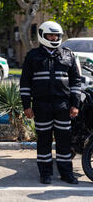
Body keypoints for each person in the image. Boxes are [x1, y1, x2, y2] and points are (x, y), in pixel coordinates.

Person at [20, 21, 81, 185]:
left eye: (56, 35)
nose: (54, 38)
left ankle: (66, 173)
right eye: (50, 35)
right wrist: (27, 105)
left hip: (63, 106)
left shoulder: (68, 55)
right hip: (42, 106)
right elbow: (25, 83)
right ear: (42, 35)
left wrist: (75, 104)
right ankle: (45, 174)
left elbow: (76, 82)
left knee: (64, 141)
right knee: (44, 140)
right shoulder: (33, 56)